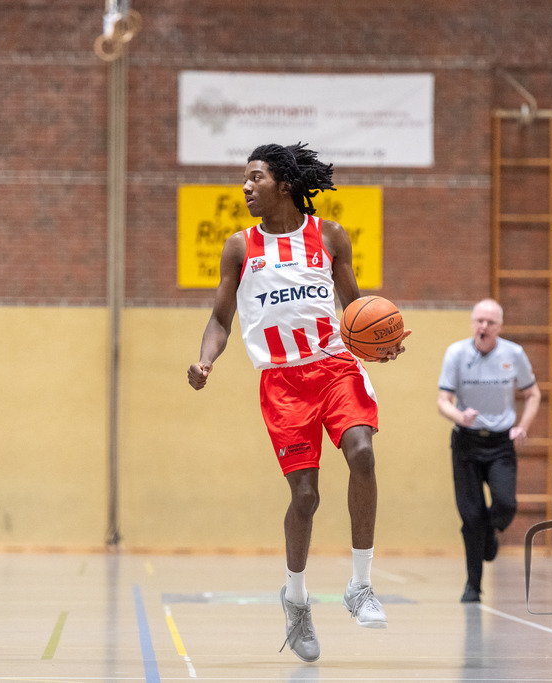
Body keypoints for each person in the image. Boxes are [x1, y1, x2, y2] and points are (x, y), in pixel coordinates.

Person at [187, 143, 408, 662]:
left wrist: (384, 339)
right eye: (244, 178)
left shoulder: (329, 236)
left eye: (255, 177)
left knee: (362, 453)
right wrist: (206, 361)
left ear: (284, 184)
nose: (245, 187)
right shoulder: (239, 247)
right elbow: (221, 319)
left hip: (333, 366)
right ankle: (297, 598)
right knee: (305, 498)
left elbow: (356, 309)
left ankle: (360, 584)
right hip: (282, 383)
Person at [437, 299, 541, 603]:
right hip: (466, 442)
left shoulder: (513, 354)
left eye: (490, 322)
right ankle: (473, 586)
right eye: (478, 321)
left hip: (500, 444)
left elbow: (533, 394)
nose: (483, 327)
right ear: (472, 323)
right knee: (470, 517)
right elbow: (443, 400)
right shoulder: (456, 354)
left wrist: (523, 425)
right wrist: (460, 416)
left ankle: (491, 532)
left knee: (506, 504)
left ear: (499, 327)